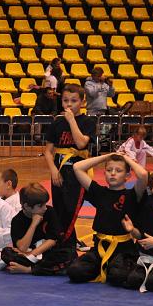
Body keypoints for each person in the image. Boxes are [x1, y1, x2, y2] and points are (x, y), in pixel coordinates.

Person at [67, 153, 147, 283]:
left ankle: (109, 269)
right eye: (109, 170)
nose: (113, 173)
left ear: (127, 176)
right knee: (74, 271)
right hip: (99, 248)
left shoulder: (132, 195)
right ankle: (105, 267)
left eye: (118, 170)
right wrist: (108, 156)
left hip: (123, 250)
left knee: (119, 276)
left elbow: (143, 175)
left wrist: (126, 158)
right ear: (104, 173)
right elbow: (77, 167)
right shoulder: (99, 192)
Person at [43, 84, 96, 248]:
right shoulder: (57, 123)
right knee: (59, 208)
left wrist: (71, 120)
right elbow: (48, 151)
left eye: (74, 101)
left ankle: (66, 241)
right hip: (59, 170)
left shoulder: (88, 122)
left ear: (82, 102)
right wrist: (53, 170)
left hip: (78, 171)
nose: (69, 104)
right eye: (65, 100)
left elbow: (80, 144)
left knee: (71, 209)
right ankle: (67, 241)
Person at [0, 183, 76, 275]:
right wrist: (33, 224)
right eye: (40, 206)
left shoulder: (50, 212)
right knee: (6, 253)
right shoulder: (17, 220)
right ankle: (44, 268)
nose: (45, 208)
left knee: (68, 253)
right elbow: (22, 248)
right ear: (27, 206)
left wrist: (33, 253)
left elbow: (52, 240)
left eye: (45, 204)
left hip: (47, 253)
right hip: (28, 254)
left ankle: (29, 269)